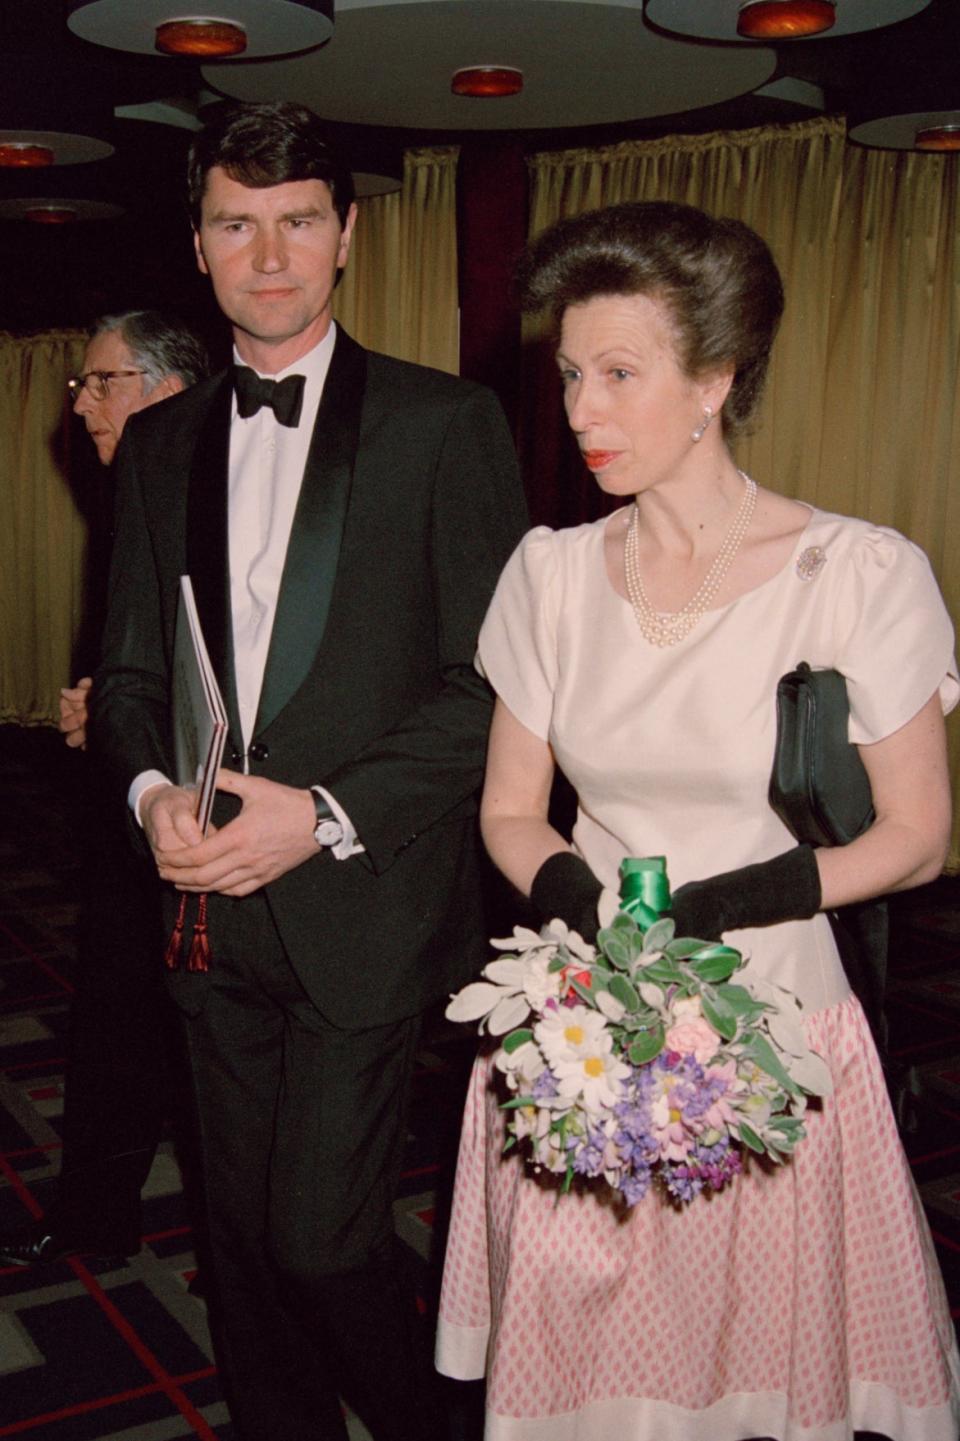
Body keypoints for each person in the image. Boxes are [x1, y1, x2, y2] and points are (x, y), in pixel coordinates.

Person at [436, 201, 960, 1440]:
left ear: (716, 380)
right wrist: (598, 919)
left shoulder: (857, 573)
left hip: (773, 1011)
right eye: (571, 373)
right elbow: (511, 809)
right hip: (583, 1008)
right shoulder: (551, 576)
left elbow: (919, 836)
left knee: (756, 1361)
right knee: (583, 1352)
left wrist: (726, 910)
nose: (580, 411)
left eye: (620, 374)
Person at [90, 101, 527, 1441]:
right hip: (209, 911)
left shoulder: (446, 425)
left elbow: (496, 688)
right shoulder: (162, 442)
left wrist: (326, 813)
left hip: (364, 904)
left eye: (296, 223)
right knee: (236, 1245)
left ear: (344, 237)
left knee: (320, 1242)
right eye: (237, 223)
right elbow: (133, 682)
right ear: (201, 243)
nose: (267, 254)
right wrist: (153, 795)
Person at [0, 310, 209, 1270]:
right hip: (137, 805)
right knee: (115, 1021)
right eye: (82, 384)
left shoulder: (218, 486)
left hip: (228, 819)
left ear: (168, 389)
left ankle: (247, 1256)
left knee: (210, 1044)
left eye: (103, 381)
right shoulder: (129, 486)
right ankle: (94, 1222)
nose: (81, 401)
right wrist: (110, 710)